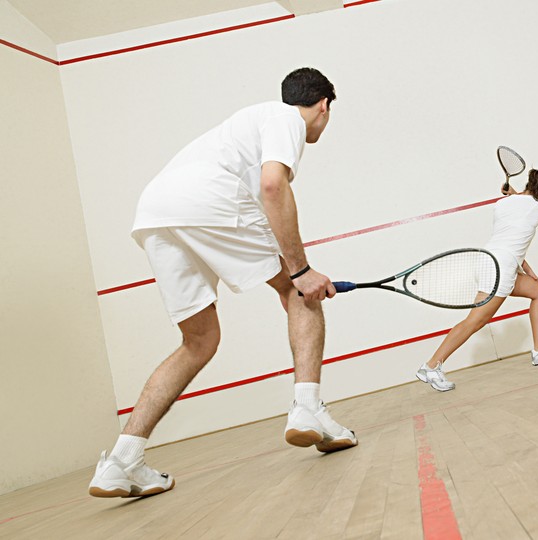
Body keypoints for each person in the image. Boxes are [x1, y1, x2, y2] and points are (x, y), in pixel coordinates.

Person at [88, 67, 356, 498]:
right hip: (204, 197)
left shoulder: (246, 125)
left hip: (155, 212)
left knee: (199, 341)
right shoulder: (287, 118)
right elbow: (273, 186)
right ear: (323, 105)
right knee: (295, 290)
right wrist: (302, 271)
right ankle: (307, 409)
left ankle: (121, 461)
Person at [416, 169, 538, 392]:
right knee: (475, 321)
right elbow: (529, 213)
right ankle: (431, 366)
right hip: (503, 268)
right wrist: (516, 194)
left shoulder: (501, 204)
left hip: (489, 259)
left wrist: (514, 194)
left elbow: (513, 232)